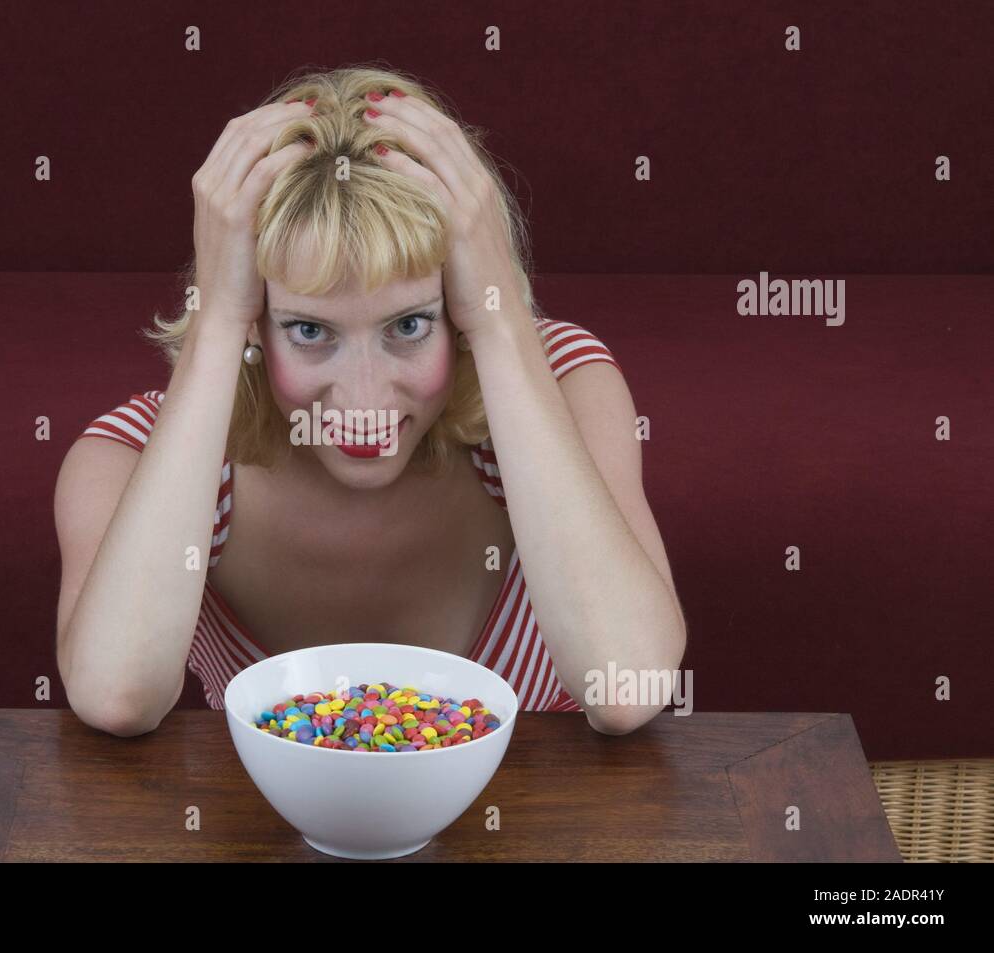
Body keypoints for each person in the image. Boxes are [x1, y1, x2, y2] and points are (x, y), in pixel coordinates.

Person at [55, 65, 686, 738]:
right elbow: (115, 694)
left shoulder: (557, 383)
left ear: (461, 312)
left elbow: (626, 686)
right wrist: (214, 321)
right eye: (309, 330)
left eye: (408, 325)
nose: (363, 397)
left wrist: (501, 322)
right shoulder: (128, 454)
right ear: (255, 327)